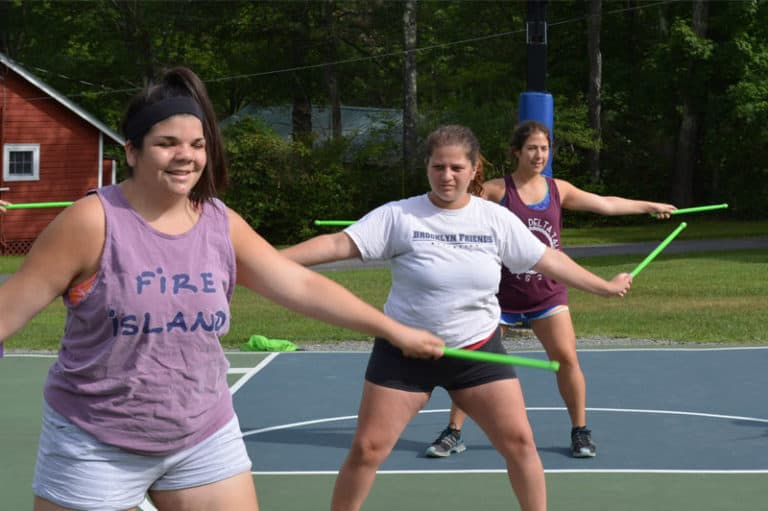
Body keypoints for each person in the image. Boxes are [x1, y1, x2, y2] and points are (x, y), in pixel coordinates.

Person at [0, 66, 445, 511]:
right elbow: (10, 308)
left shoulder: (218, 222)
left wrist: (391, 329)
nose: (186, 156)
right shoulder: (92, 222)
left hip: (201, 435)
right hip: (96, 439)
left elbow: (300, 285)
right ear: (132, 151)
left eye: (197, 145)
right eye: (166, 144)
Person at [281, 124, 633, 511]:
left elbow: (549, 259)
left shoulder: (493, 219)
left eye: (456, 168)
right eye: (438, 167)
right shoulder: (400, 215)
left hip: (477, 353)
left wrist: (602, 285)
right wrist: (266, 261)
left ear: (473, 168)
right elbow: (336, 244)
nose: (447, 176)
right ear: (427, 168)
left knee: (519, 445)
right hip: (405, 353)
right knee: (367, 449)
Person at [424, 120, 676, 460]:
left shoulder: (559, 189)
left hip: (547, 294)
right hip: (501, 296)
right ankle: (454, 431)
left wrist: (650, 206)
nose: (539, 154)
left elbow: (605, 204)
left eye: (544, 148)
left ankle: (580, 431)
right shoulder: (499, 190)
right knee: (472, 365)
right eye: (531, 148)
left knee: (567, 360)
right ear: (516, 152)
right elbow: (453, 203)